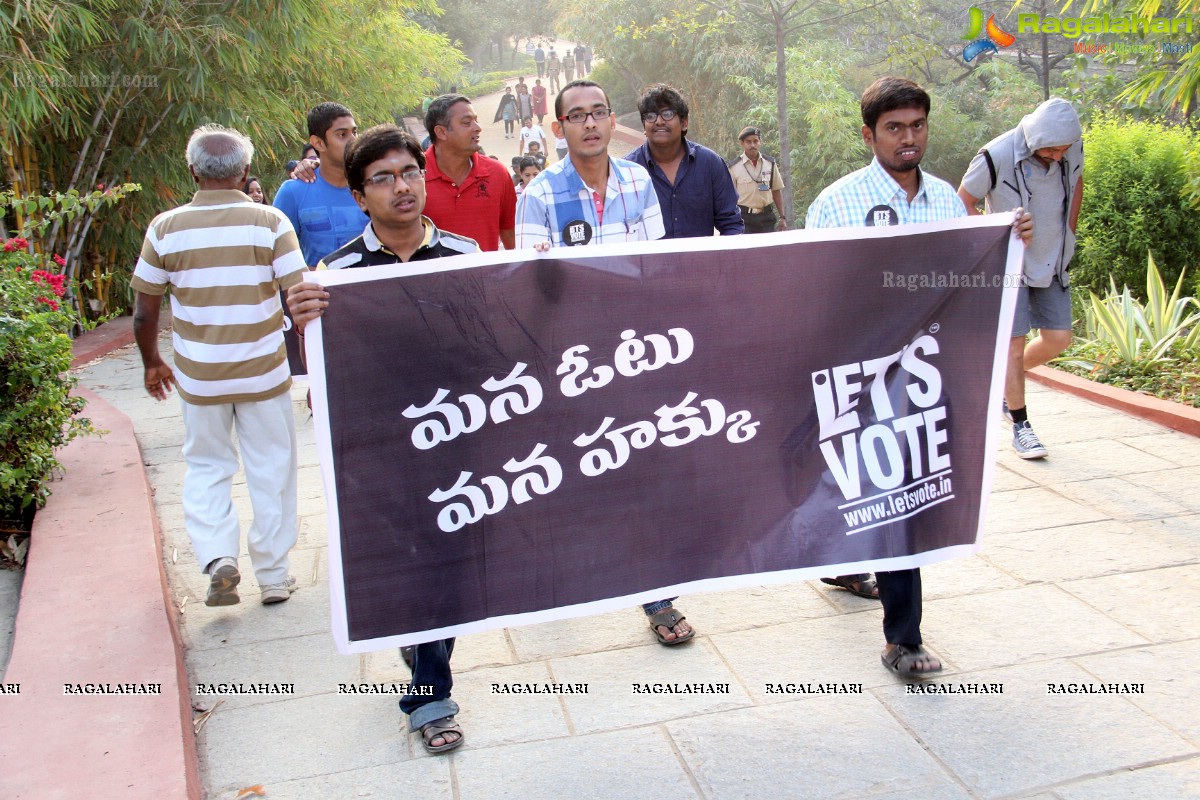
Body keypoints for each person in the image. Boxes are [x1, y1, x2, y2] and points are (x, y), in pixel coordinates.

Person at [805, 76, 1032, 678]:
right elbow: (813, 291)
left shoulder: (946, 203)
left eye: (917, 126)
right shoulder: (836, 203)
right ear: (869, 134)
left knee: (904, 497)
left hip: (928, 378)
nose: (909, 139)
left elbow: (970, 282)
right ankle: (894, 627)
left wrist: (1008, 241)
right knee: (874, 494)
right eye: (895, 128)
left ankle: (884, 604)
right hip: (864, 378)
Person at [286, 123, 477, 754]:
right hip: (385, 451)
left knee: (452, 568)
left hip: (461, 439)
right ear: (360, 197)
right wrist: (301, 318)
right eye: (383, 179)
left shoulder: (467, 256)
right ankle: (432, 695)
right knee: (418, 563)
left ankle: (421, 643)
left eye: (410, 173)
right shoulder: (335, 275)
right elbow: (315, 361)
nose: (402, 187)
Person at [516, 81, 691, 645]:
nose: (589, 125)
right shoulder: (539, 195)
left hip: (635, 352)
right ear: (558, 127)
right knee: (571, 470)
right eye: (576, 116)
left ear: (613, 121)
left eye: (598, 114)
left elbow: (654, 267)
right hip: (570, 360)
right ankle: (554, 573)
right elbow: (532, 288)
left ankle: (657, 596)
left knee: (642, 467)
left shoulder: (639, 181)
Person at [132, 123, 306, 608]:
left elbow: (145, 309)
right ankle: (273, 575)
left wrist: (152, 363)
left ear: (191, 170)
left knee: (206, 466)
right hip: (264, 373)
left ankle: (218, 559)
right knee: (272, 468)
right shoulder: (270, 223)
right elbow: (300, 296)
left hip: (199, 376)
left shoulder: (164, 228)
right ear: (246, 170)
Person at [957, 98, 1084, 460]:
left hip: (1052, 261)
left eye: (1065, 149)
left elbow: (1077, 184)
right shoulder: (994, 156)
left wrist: (1069, 234)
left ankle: (999, 383)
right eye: (1053, 149)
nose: (1060, 156)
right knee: (1013, 344)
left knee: (1059, 338)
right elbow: (963, 201)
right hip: (1009, 265)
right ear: (1034, 139)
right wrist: (995, 236)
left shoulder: (1071, 150)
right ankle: (1021, 427)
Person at [624, 83, 743, 238]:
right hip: (650, 262)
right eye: (651, 116)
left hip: (700, 261)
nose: (659, 121)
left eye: (667, 114)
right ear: (644, 126)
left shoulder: (710, 164)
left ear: (684, 122)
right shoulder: (628, 172)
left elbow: (731, 224)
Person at [273, 102, 367, 267]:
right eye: (342, 134)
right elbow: (277, 255)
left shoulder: (371, 185)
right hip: (319, 291)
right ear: (318, 143)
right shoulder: (293, 192)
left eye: (355, 132)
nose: (353, 140)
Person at [423, 94, 518, 251]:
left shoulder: (497, 173)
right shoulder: (413, 179)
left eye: (476, 120)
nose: (477, 128)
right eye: (467, 123)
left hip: (489, 275)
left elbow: (510, 232)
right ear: (441, 132)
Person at [728, 126, 786, 233]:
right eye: (748, 142)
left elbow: (776, 190)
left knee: (769, 249)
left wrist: (782, 217)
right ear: (742, 143)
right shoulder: (733, 167)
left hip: (767, 218)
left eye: (755, 141)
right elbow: (729, 198)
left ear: (760, 142)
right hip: (744, 219)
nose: (752, 145)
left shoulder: (770, 164)